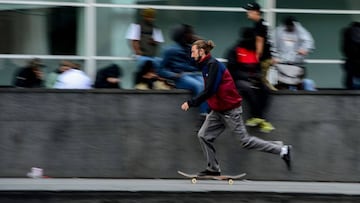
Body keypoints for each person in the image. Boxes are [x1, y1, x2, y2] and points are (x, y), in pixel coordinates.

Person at [181, 39, 292, 176]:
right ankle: (213, 169)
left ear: (201, 51)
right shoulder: (205, 65)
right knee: (203, 135)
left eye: (193, 52)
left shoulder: (213, 65)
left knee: (245, 141)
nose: (191, 55)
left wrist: (191, 103)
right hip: (218, 109)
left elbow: (210, 90)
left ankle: (282, 150)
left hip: (229, 110)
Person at [226, 27, 274, 133]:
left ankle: (257, 117)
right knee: (248, 88)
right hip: (238, 80)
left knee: (265, 90)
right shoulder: (235, 50)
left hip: (253, 79)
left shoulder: (254, 52)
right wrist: (247, 76)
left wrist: (257, 75)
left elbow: (258, 68)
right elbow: (231, 70)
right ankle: (260, 117)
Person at [159, 24, 208, 115]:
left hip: (195, 74)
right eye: (190, 33)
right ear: (183, 35)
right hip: (181, 77)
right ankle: (204, 115)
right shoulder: (170, 50)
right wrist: (173, 75)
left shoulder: (191, 49)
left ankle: (216, 113)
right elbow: (161, 70)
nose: (192, 35)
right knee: (199, 86)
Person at [272, 16, 316, 91]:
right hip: (282, 63)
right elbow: (273, 45)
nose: (290, 28)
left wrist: (305, 49)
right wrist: (274, 56)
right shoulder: (278, 31)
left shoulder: (300, 30)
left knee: (298, 83)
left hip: (297, 63)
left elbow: (308, 41)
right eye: (288, 27)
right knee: (282, 84)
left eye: (291, 27)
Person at [244, 2, 277, 91]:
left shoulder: (259, 24)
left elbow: (260, 41)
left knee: (261, 81)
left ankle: (276, 96)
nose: (247, 13)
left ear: (256, 12)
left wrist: (257, 57)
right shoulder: (263, 23)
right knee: (261, 80)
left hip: (264, 58)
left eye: (250, 11)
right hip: (267, 57)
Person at [341, 21, 360, 89]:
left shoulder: (347, 31)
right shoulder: (355, 32)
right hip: (355, 61)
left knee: (351, 81)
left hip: (351, 60)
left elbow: (344, 48)